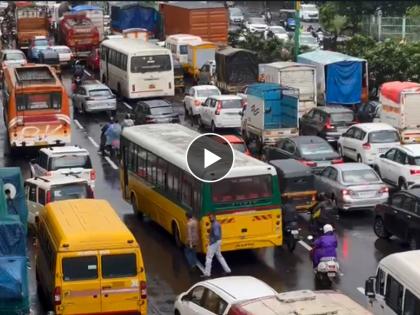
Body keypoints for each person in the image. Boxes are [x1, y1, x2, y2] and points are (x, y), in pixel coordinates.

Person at [203, 213, 231, 278]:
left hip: (214, 242)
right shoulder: (216, 223)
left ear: (215, 217)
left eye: (211, 217)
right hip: (218, 241)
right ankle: (228, 270)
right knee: (219, 256)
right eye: (209, 217)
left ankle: (207, 274)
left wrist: (211, 242)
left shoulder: (215, 225)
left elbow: (216, 234)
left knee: (209, 257)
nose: (210, 218)